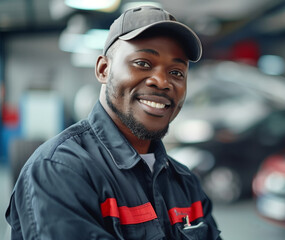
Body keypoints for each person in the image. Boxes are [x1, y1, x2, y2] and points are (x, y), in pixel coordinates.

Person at [6, 6, 222, 240]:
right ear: (103, 69)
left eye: (177, 72)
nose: (162, 81)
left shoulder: (186, 183)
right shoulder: (60, 170)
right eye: (143, 63)